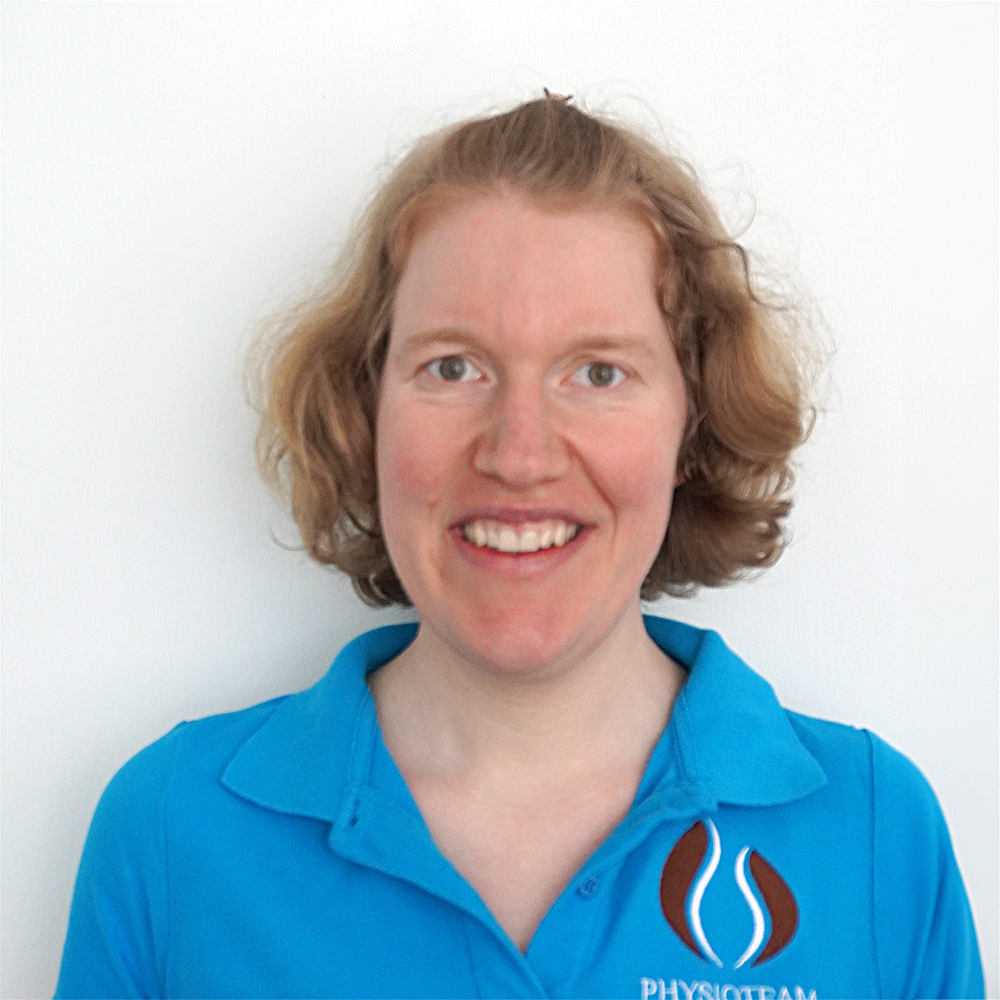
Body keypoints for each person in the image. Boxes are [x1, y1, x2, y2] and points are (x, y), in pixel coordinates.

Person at [55, 94, 983, 999]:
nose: (519, 454)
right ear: (365, 414)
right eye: (453, 367)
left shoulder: (874, 833)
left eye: (599, 372)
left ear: (692, 426)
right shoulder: (174, 830)